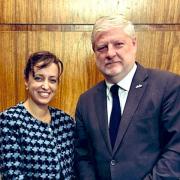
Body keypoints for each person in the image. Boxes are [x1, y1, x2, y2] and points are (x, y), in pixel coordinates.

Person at [75, 15, 180, 180]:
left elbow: (176, 149)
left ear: (134, 43)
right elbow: (83, 156)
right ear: (95, 53)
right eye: (102, 47)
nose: (110, 53)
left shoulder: (167, 86)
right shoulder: (86, 101)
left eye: (118, 44)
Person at [0, 51, 76, 179]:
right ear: (26, 80)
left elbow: (75, 170)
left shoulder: (66, 122)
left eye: (52, 80)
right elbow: (13, 176)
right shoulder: (9, 120)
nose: (46, 86)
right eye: (38, 78)